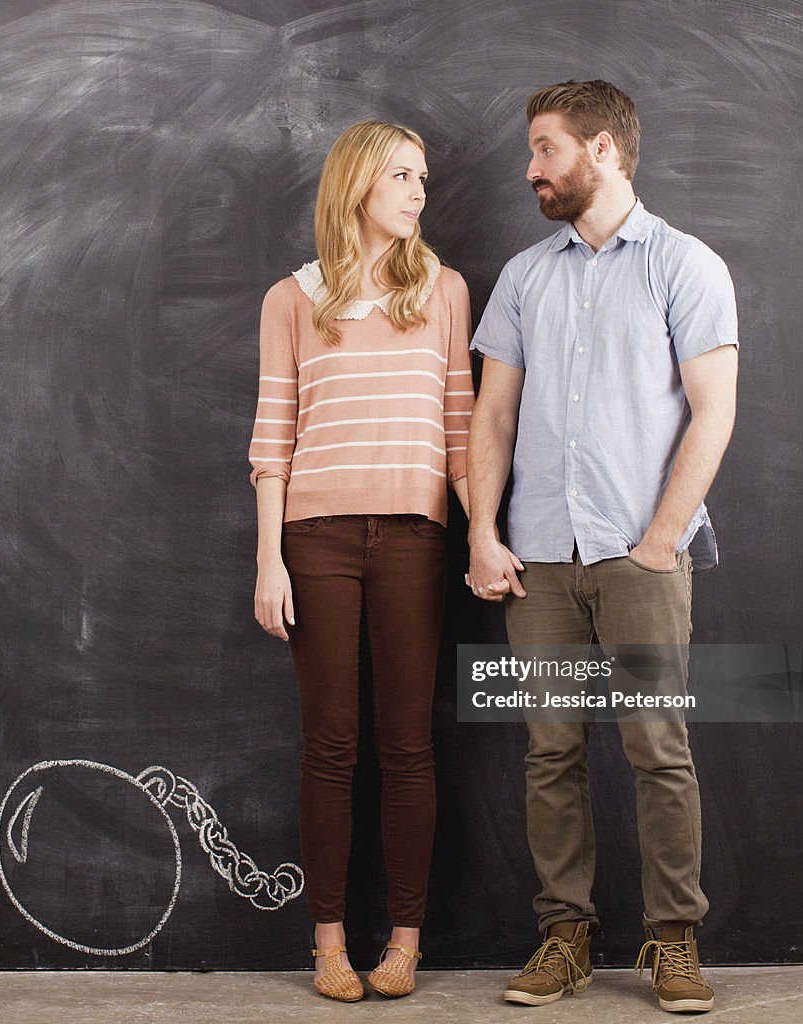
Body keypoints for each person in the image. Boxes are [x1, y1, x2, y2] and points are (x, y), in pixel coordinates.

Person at [466, 81, 738, 1014]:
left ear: (603, 152)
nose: (532, 168)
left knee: (658, 749)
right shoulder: (523, 276)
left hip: (640, 556)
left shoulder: (686, 265)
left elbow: (715, 412)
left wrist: (661, 541)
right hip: (537, 562)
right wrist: (482, 531)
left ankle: (673, 942)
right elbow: (492, 414)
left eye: (545, 148)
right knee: (551, 753)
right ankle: (566, 939)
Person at [248, 120, 473, 1001]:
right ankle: (330, 942)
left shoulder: (445, 292)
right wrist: (271, 560)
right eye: (402, 176)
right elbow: (273, 441)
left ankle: (405, 941)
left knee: (409, 747)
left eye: (424, 176)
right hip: (317, 540)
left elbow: (461, 431)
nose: (419, 192)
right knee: (330, 748)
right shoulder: (290, 300)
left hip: (416, 539)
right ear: (357, 189)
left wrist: (481, 529)